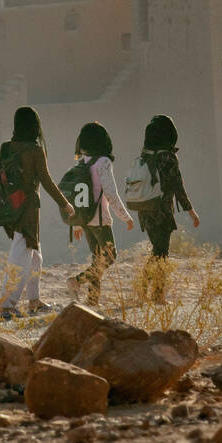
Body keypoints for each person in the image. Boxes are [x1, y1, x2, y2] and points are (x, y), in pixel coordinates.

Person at [0, 106, 73, 319]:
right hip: (27, 208)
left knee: (34, 255)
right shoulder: (35, 149)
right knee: (21, 252)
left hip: (9, 206)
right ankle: (6, 306)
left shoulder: (6, 147)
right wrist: (65, 204)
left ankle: (34, 300)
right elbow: (46, 181)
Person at [66, 121, 134, 307]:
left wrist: (78, 224)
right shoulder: (103, 162)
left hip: (86, 219)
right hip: (100, 220)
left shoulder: (83, 162)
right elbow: (111, 193)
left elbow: (79, 195)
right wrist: (125, 216)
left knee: (97, 258)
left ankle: (92, 300)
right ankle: (77, 281)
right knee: (110, 257)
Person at [135, 115, 199, 274]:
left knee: (158, 250)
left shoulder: (144, 156)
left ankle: (155, 293)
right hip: (162, 211)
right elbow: (177, 186)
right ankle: (148, 289)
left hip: (144, 209)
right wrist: (191, 212)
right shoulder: (168, 157)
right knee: (161, 252)